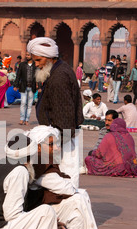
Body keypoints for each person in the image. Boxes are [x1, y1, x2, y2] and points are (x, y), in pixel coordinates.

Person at [27, 37, 84, 188]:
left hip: (61, 141)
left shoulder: (59, 77)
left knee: (64, 184)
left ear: (50, 57)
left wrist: (53, 147)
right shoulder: (57, 71)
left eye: (39, 60)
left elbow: (64, 120)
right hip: (58, 140)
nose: (37, 64)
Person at [26, 125, 99, 229]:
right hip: (37, 208)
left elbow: (62, 182)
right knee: (78, 199)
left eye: (56, 144)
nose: (56, 148)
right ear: (38, 147)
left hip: (46, 203)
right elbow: (65, 188)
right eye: (51, 144)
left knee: (78, 214)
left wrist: (68, 184)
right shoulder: (38, 162)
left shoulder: (44, 158)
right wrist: (69, 184)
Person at [14, 51, 37, 125]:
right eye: (26, 55)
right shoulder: (22, 65)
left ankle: (27, 120)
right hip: (23, 86)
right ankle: (21, 119)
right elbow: (18, 75)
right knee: (23, 103)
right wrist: (16, 85)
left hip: (32, 87)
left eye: (28, 55)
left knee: (30, 104)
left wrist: (39, 86)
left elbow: (38, 76)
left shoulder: (35, 65)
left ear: (32, 56)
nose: (27, 56)